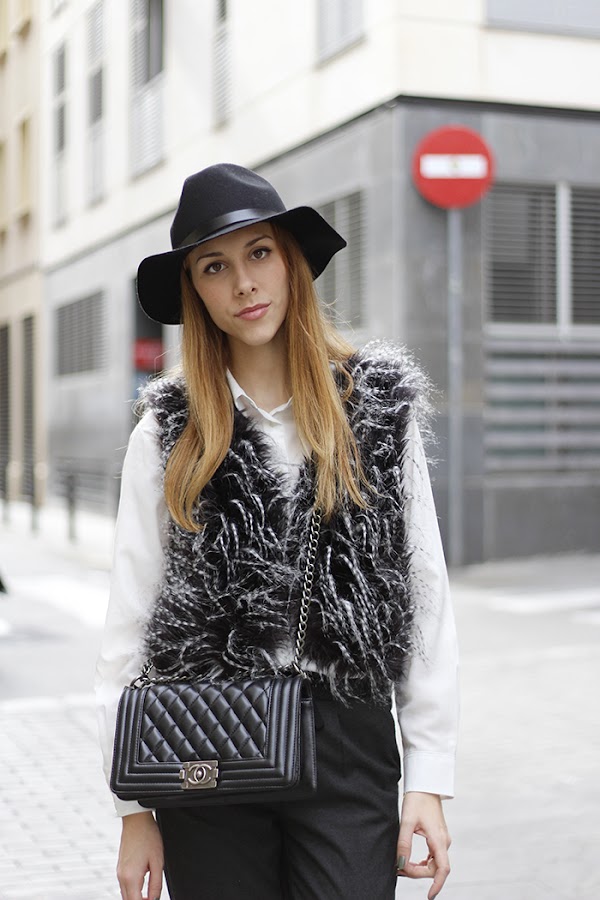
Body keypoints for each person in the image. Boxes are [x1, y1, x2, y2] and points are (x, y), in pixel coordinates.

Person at [95, 163, 458, 900]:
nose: (243, 283)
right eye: (214, 266)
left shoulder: (377, 407)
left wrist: (429, 776)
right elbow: (128, 623)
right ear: (195, 290)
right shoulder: (168, 430)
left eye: (259, 253)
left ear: (290, 262)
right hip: (208, 740)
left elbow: (425, 597)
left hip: (346, 742)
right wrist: (133, 809)